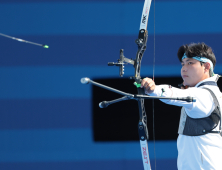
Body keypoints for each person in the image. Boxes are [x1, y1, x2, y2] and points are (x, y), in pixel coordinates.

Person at [141, 43, 222, 170]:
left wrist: (153, 89)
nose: (184, 68)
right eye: (182, 64)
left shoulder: (204, 95)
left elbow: (175, 94)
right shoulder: (212, 92)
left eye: (190, 63)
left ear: (206, 67)